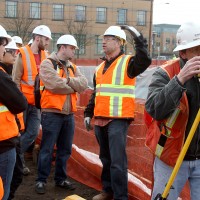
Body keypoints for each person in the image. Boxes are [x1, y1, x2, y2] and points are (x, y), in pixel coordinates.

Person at [84, 25, 151, 200]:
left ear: (120, 42)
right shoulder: (99, 68)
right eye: (104, 38)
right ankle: (108, 191)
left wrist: (137, 36)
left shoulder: (128, 63)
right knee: (105, 159)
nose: (104, 41)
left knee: (117, 162)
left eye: (109, 38)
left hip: (118, 120)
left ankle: (121, 197)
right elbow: (96, 93)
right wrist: (87, 113)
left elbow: (145, 59)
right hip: (100, 119)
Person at [145, 21, 200, 200]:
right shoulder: (165, 73)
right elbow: (155, 109)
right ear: (183, 53)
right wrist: (179, 80)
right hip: (171, 157)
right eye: (197, 50)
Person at [35, 34, 88, 194]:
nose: (74, 52)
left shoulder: (71, 66)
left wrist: (67, 81)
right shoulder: (47, 64)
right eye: (72, 48)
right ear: (62, 47)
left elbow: (84, 84)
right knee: (47, 148)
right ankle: (41, 180)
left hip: (68, 114)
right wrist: (73, 85)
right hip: (51, 114)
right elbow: (54, 85)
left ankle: (60, 179)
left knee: (65, 149)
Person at [12, 25, 52, 175]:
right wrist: (17, 101)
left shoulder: (46, 56)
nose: (47, 42)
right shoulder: (22, 53)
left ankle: (13, 154)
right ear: (37, 38)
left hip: (37, 104)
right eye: (46, 39)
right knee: (20, 133)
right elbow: (15, 80)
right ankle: (19, 164)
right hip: (22, 103)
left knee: (33, 133)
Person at [0, 25, 28, 200]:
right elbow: (20, 103)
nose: (5, 51)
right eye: (3, 46)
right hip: (3, 143)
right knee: (3, 191)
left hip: (9, 137)